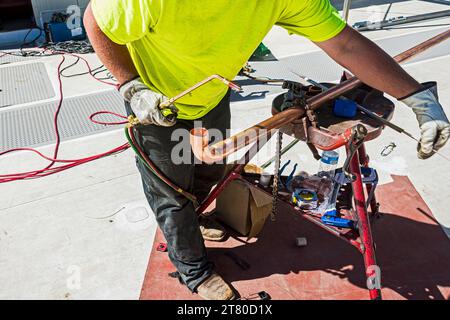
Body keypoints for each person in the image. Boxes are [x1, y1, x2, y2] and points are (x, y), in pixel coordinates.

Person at [84, 0, 450, 300]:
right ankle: (194, 270)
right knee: (172, 193)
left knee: (211, 169)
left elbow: (346, 44)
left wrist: (417, 97)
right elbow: (95, 23)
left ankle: (197, 218)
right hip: (158, 105)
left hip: (210, 97)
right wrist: (132, 86)